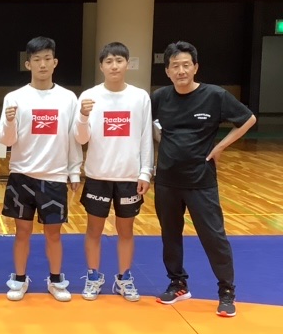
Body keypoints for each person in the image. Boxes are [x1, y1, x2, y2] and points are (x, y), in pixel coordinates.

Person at [152, 41, 256, 318]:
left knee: (213, 236)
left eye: (186, 65)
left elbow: (248, 119)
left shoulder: (215, 95)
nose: (181, 71)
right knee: (170, 235)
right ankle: (178, 284)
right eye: (175, 66)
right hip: (167, 180)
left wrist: (220, 147)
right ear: (167, 71)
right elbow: (144, 123)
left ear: (195, 67)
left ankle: (226, 291)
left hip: (201, 180)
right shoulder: (160, 97)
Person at [0, 36, 82, 302]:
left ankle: (56, 280)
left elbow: (73, 138)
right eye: (37, 59)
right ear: (28, 64)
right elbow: (6, 141)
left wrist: (74, 171)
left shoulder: (68, 98)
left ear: (55, 62)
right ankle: (19, 278)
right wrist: (8, 123)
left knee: (53, 234)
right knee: (21, 232)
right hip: (21, 175)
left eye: (47, 59)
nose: (42, 64)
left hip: (54, 176)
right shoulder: (14, 98)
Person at [74, 42, 153, 302]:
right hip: (98, 175)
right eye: (109, 61)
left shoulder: (140, 97)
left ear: (127, 64)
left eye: (119, 60)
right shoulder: (89, 96)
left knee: (126, 231)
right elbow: (80, 138)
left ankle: (124, 278)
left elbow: (146, 137)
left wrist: (145, 172)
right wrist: (83, 117)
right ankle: (93, 276)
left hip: (128, 176)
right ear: (101, 66)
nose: (114, 66)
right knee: (94, 230)